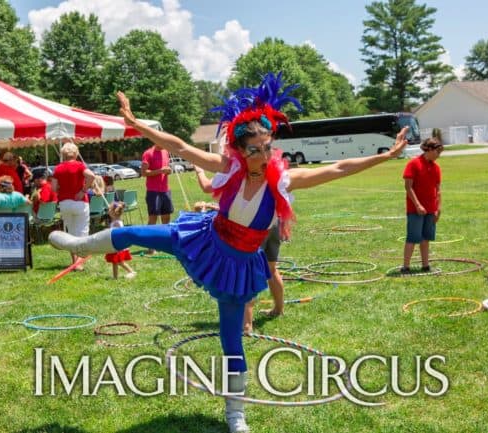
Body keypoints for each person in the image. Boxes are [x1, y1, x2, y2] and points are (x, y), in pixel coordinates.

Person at [49, 73, 407, 433]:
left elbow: (338, 168)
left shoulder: (280, 180)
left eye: (268, 146)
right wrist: (134, 122)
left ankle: (236, 414)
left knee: (231, 340)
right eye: (255, 149)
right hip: (203, 240)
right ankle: (80, 246)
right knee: (131, 232)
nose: (264, 154)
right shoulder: (229, 166)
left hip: (238, 264)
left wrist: (386, 155)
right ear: (240, 151)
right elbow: (180, 147)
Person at [195, 165, 284, 332]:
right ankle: (278, 309)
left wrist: (200, 170)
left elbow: (207, 187)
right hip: (273, 222)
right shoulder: (265, 167)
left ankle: (246, 324)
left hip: (253, 228)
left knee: (247, 271)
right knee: (272, 268)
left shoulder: (233, 168)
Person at [401, 137, 443, 274]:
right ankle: (405, 267)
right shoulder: (413, 164)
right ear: (429, 149)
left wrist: (438, 208)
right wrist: (418, 205)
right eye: (437, 152)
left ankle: (425, 266)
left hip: (431, 209)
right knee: (413, 238)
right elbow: (408, 187)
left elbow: (438, 190)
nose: (439, 155)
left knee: (426, 239)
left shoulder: (436, 167)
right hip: (415, 209)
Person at [52, 142, 95, 270]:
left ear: (63, 155)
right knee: (82, 231)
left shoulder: (58, 168)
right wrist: (83, 191)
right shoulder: (80, 166)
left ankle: (74, 261)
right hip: (80, 202)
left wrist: (61, 189)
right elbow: (91, 176)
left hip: (65, 202)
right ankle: (79, 263)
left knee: (70, 232)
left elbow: (53, 188)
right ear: (76, 154)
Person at [142, 141, 174, 254]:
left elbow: (167, 168)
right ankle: (150, 246)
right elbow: (143, 172)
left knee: (166, 217)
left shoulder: (166, 151)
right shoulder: (148, 153)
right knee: (153, 218)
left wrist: (168, 171)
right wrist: (160, 171)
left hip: (165, 189)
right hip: (153, 191)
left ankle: (164, 243)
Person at [104, 202, 136, 280]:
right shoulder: (115, 222)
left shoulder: (117, 223)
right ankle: (117, 276)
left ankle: (129, 272)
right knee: (116, 262)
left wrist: (108, 231)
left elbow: (116, 233)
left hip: (118, 245)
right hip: (115, 244)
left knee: (117, 262)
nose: (108, 211)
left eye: (109, 210)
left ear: (114, 212)